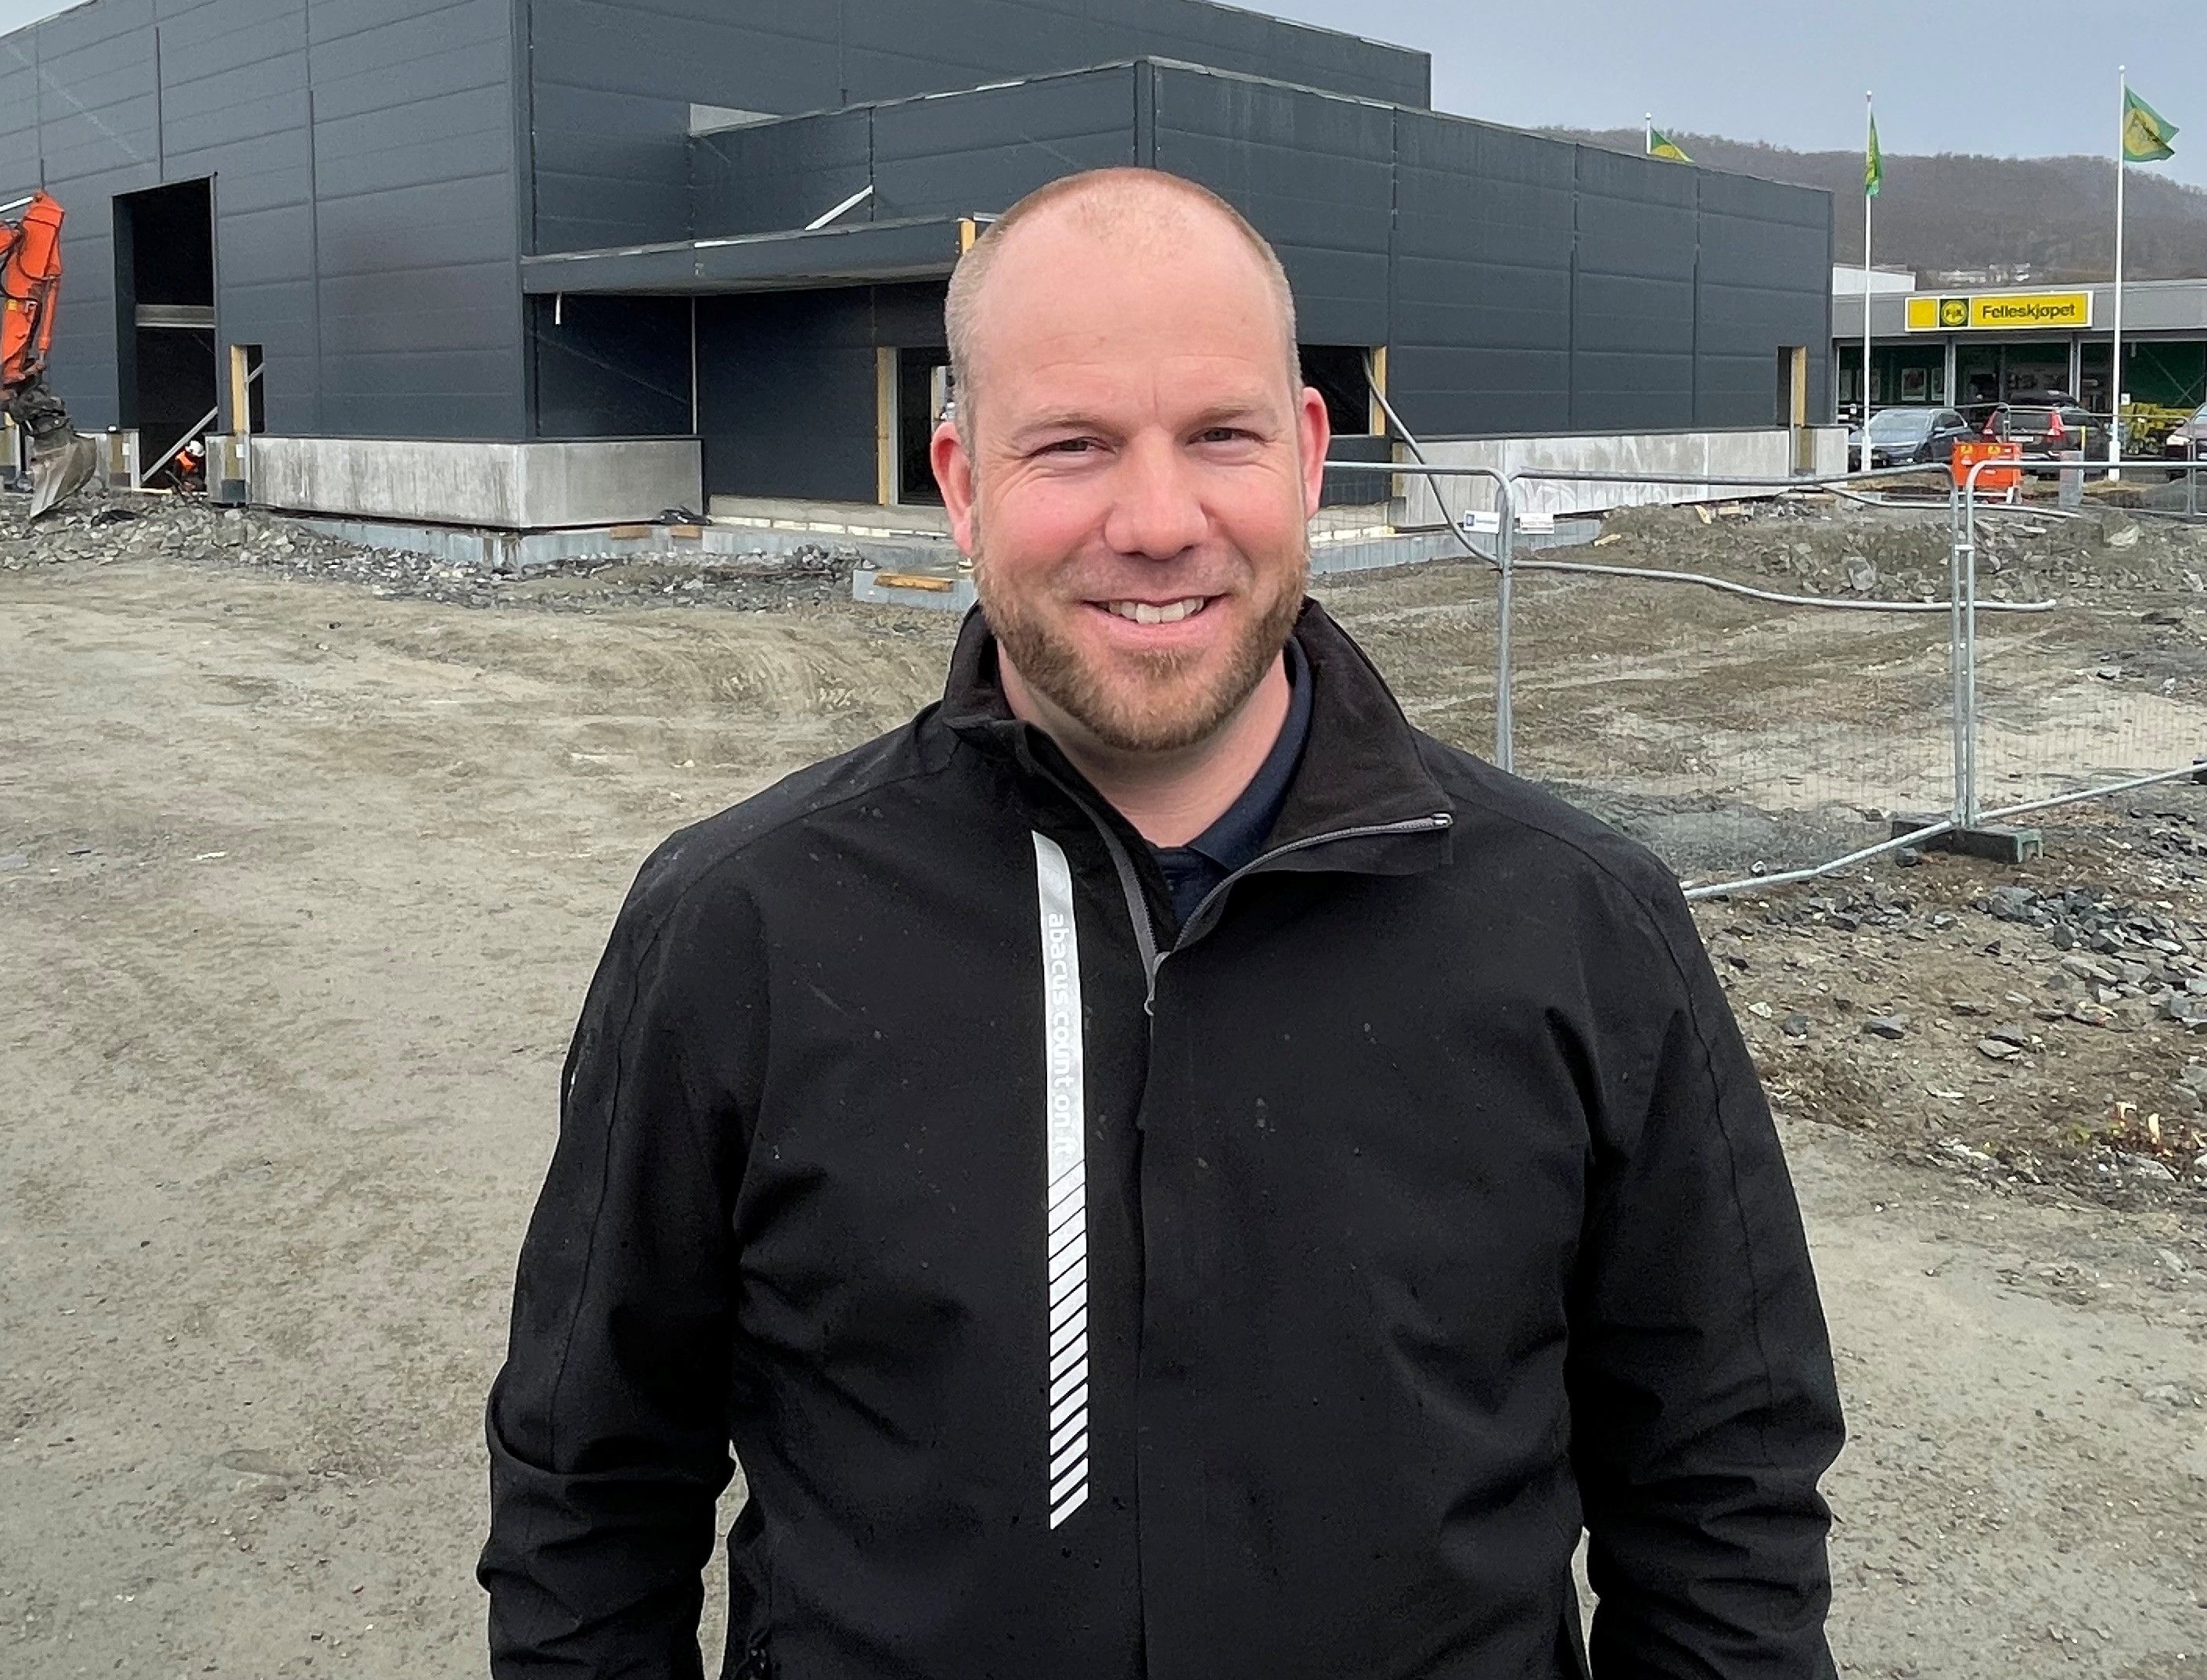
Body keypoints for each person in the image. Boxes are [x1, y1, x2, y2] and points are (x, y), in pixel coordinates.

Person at [482, 168, 1843, 1678]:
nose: (1155, 522)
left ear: (1308, 456)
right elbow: (587, 1500)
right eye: (1072, 444)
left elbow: (1724, 1496)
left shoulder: (1581, 926)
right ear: (962, 482)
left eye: (1219, 437)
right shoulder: (736, 931)